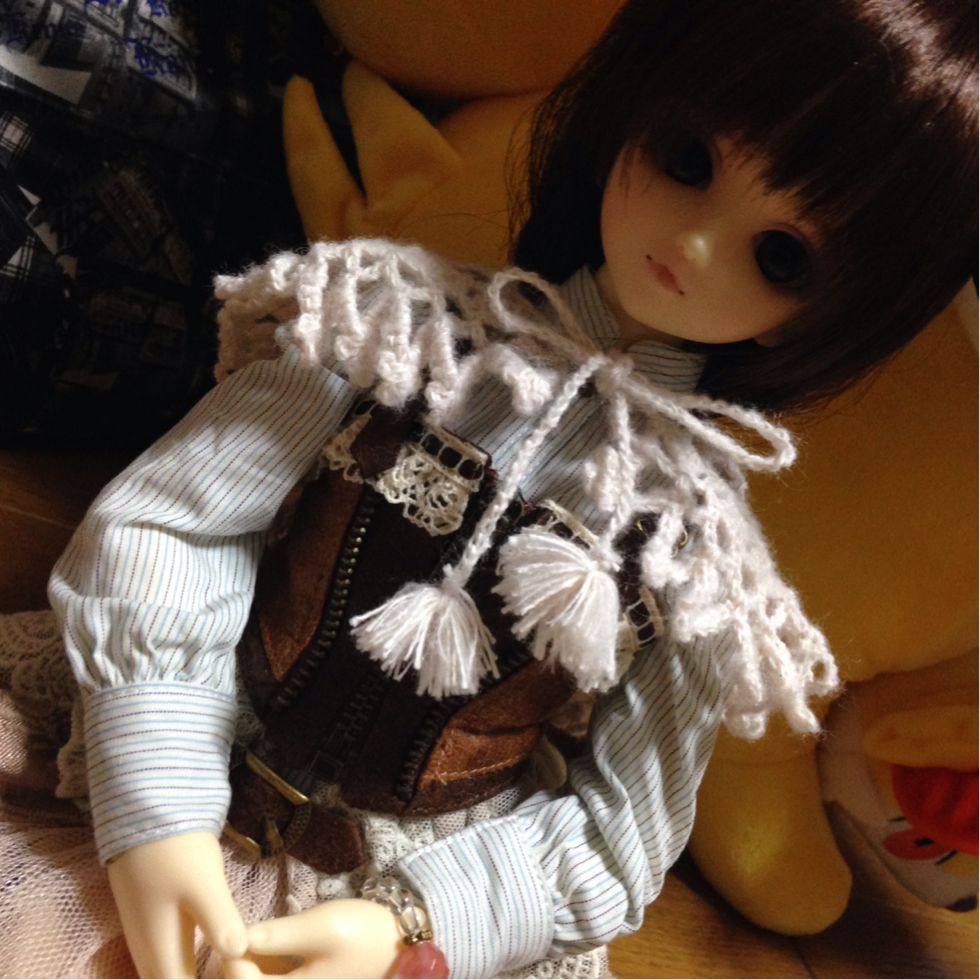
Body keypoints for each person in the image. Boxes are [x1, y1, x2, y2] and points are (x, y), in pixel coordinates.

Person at [0, 0, 975, 977]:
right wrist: (159, 789)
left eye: (781, 255)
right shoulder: (397, 330)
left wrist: (407, 921)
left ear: (832, 313)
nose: (692, 247)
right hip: (179, 734)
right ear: (632, 111)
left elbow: (622, 829)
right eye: (687, 160)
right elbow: (177, 522)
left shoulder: (694, 548)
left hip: (406, 884)